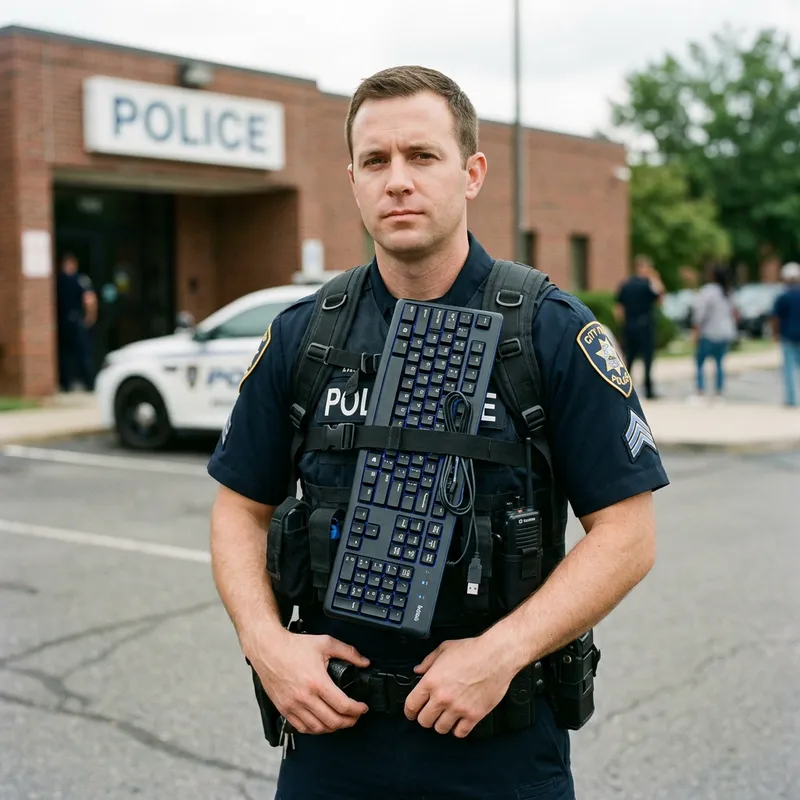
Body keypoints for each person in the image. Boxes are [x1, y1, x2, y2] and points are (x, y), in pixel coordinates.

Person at [207, 66, 669, 800]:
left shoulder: (547, 332)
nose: (398, 181)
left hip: (500, 749)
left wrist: (503, 650)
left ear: (472, 172)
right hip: (332, 744)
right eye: (375, 161)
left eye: (422, 156)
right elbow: (239, 506)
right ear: (353, 181)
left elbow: (627, 534)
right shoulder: (306, 337)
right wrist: (265, 645)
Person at [614, 256, 665, 400]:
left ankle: (625, 388)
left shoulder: (626, 284)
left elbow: (619, 309)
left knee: (629, 357)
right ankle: (648, 390)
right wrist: (655, 278)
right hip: (645, 325)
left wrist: (623, 325)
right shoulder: (648, 285)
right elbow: (660, 299)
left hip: (630, 325)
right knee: (647, 358)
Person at [690, 264, 738, 402]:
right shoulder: (728, 291)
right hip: (724, 332)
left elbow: (700, 313)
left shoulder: (707, 291)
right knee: (719, 363)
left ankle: (700, 391)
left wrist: (696, 330)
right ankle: (719, 392)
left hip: (709, 332)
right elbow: (734, 312)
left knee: (700, 361)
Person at [55, 253, 97, 392]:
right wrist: (90, 318)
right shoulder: (80, 280)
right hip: (77, 321)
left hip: (63, 322)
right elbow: (89, 300)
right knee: (83, 353)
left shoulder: (57, 281)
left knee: (66, 354)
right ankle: (89, 383)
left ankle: (66, 383)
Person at [772, 261, 800, 407]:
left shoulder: (782, 297)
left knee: (789, 370)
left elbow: (776, 318)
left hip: (788, 336)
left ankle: (791, 399)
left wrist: (775, 334)